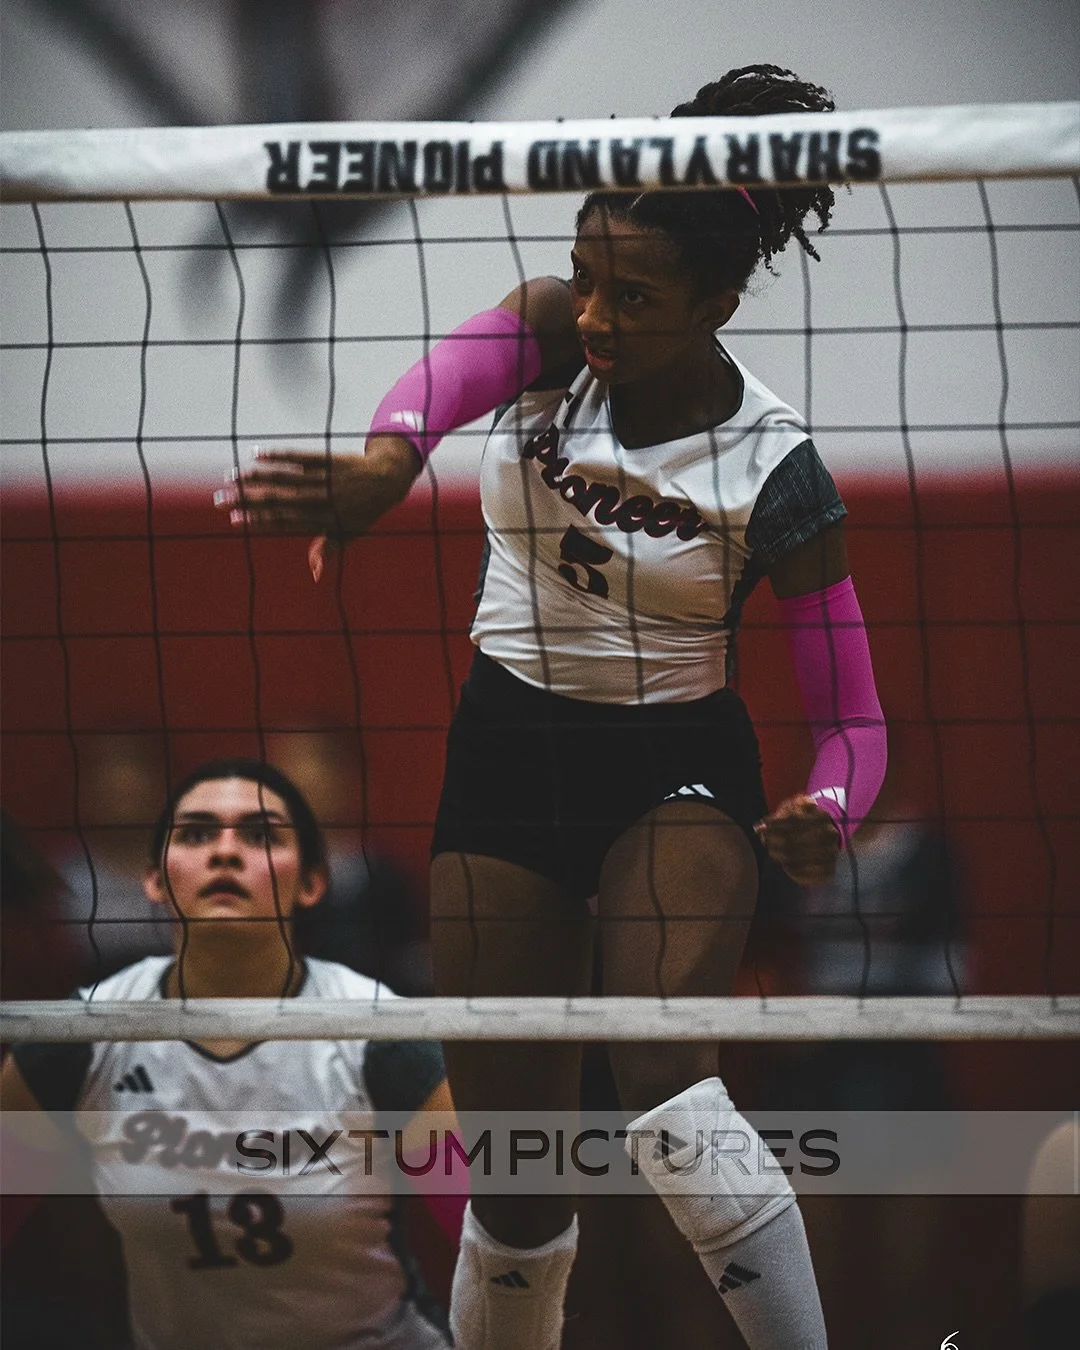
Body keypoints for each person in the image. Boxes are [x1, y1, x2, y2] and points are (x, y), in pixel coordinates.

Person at [218, 64, 888, 1350]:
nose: (595, 313)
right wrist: (374, 471)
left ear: (718, 301)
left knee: (661, 1078)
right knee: (517, 1163)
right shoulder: (542, 333)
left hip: (676, 768)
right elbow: (422, 398)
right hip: (509, 746)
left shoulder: (778, 472)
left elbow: (856, 719)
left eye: (632, 296)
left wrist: (832, 809)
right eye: (585, 275)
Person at [1, 758, 458, 1350]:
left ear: (314, 882)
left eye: (261, 834)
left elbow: (486, 1228)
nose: (225, 852)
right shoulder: (84, 1036)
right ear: (155, 879)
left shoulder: (378, 1036)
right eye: (194, 834)